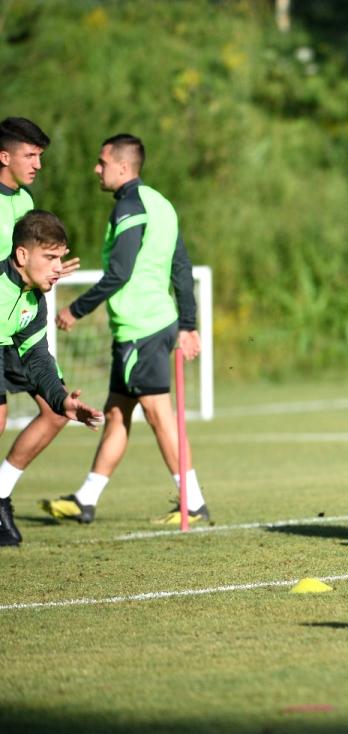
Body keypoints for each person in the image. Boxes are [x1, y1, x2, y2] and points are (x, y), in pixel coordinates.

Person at [44, 134, 208, 526]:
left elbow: (120, 272)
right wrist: (187, 324)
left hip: (141, 330)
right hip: (153, 325)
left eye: (101, 162)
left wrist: (76, 309)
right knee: (117, 413)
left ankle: (194, 503)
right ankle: (86, 499)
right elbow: (181, 267)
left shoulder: (129, 207)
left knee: (159, 416)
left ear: (122, 166)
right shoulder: (161, 204)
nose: (96, 169)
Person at [0, 211, 102, 545]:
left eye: (61, 257)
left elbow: (37, 357)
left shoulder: (33, 300)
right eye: (50, 257)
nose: (59, 267)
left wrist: (61, 400)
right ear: (22, 255)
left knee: (54, 411)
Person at [0, 117, 83, 525]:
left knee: (58, 408)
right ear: (4, 156)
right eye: (30, 155)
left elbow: (28, 257)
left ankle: (1, 494)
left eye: (40, 156)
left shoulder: (26, 201)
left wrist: (46, 269)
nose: (38, 164)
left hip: (19, 322)